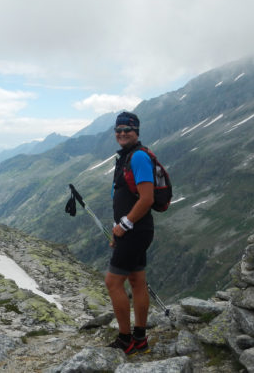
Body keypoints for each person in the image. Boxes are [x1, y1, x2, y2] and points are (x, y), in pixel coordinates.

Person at [105, 111, 154, 355]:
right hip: (134, 231)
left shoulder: (138, 158)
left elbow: (147, 198)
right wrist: (120, 229)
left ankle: (126, 341)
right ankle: (140, 339)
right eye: (119, 129)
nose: (122, 133)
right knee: (137, 281)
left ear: (137, 132)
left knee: (113, 282)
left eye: (128, 129)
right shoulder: (126, 156)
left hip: (135, 230)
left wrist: (123, 227)